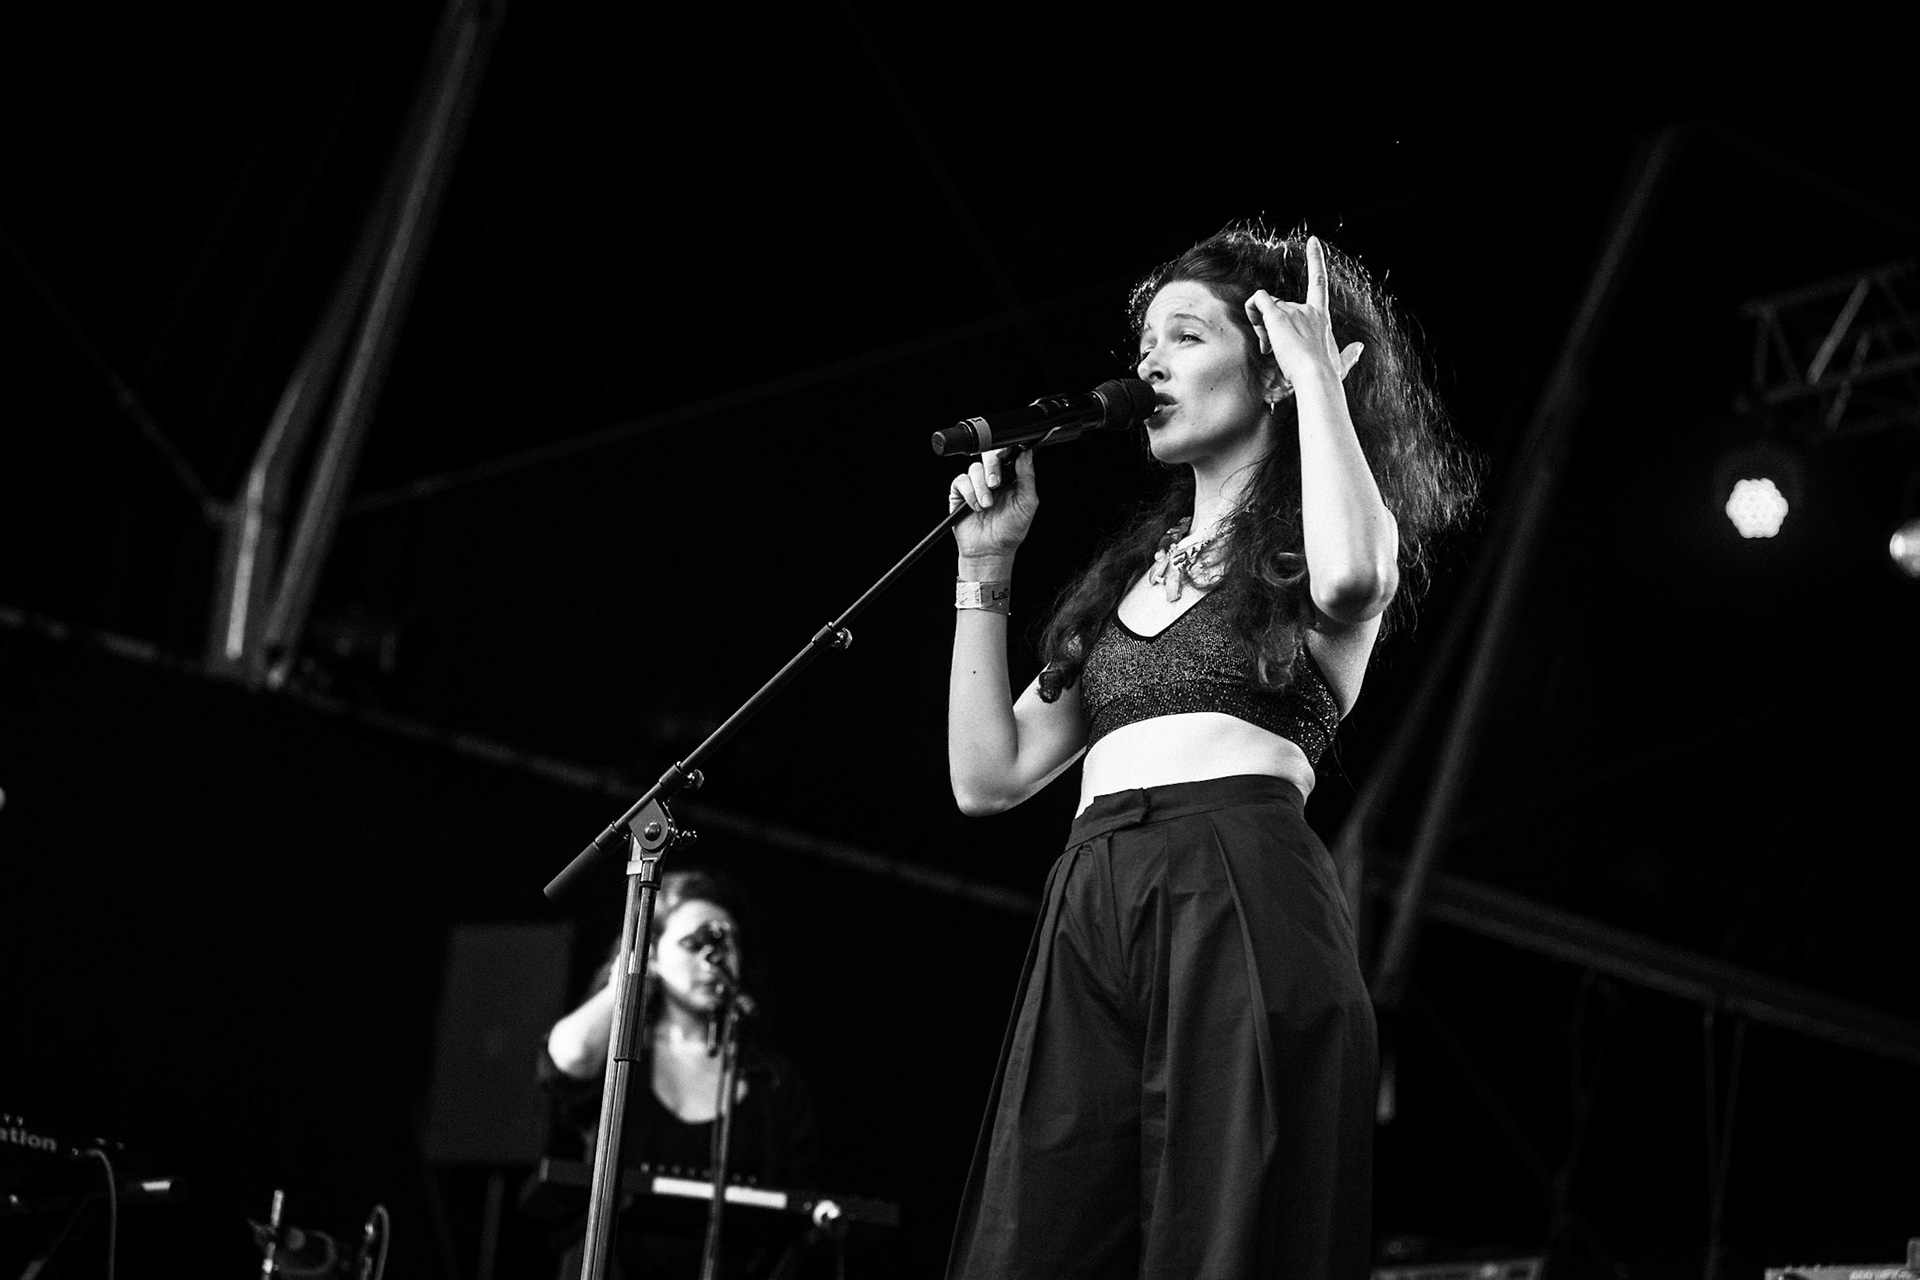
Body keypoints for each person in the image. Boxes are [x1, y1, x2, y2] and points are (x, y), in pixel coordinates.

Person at [941, 221, 1479, 1279]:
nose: (1147, 363)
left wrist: (1318, 378)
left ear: (1270, 368)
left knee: (1225, 1232)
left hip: (1235, 878)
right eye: (1144, 342)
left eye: (1183, 336)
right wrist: (986, 564)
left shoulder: (1314, 545)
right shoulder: (1130, 573)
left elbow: (1357, 579)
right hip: (1093, 892)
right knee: (1037, 1233)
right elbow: (987, 774)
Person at [535, 868, 824, 1279]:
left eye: (728, 942)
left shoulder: (775, 1082)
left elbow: (796, 1212)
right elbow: (568, 1060)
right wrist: (629, 977)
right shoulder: (621, 1056)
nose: (714, 959)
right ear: (653, 953)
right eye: (695, 943)